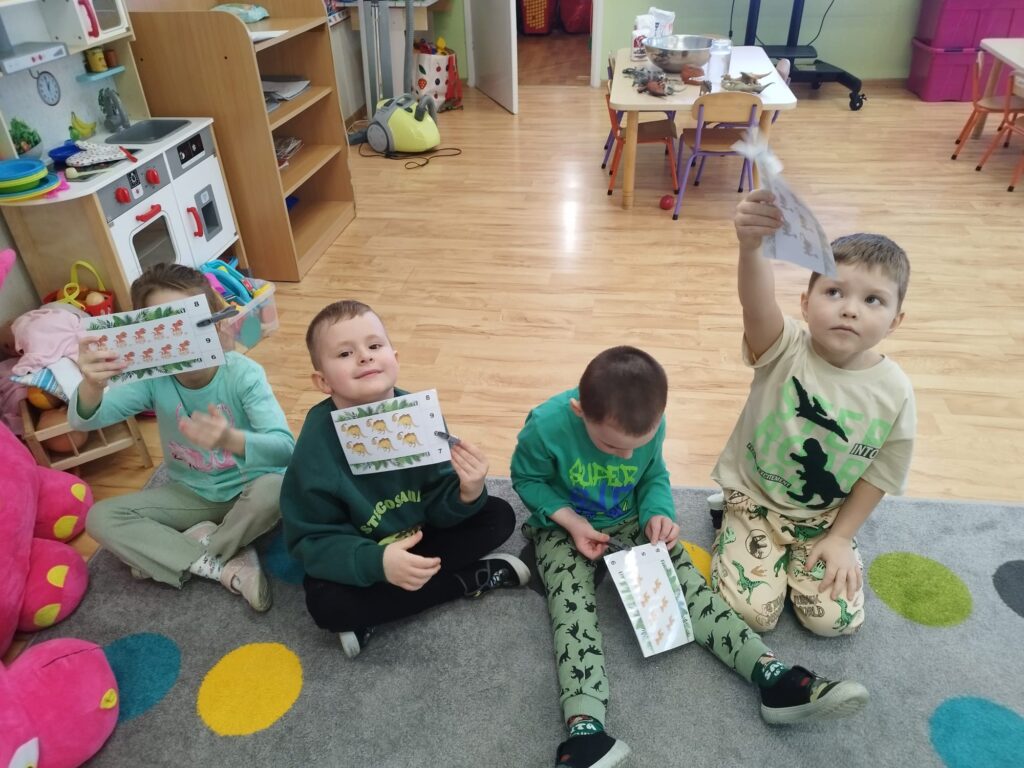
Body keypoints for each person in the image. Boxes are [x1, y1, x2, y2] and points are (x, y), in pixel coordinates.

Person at [511, 345, 869, 768]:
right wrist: (571, 523)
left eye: (636, 445)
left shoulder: (649, 421)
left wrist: (658, 513)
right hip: (563, 525)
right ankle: (584, 731)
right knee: (571, 608)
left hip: (631, 518)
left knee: (692, 589)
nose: (625, 456)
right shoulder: (546, 424)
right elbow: (526, 479)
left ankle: (773, 677)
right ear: (579, 411)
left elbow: (652, 474)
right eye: (609, 444)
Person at [710, 189, 916, 638]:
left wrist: (840, 537)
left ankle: (808, 554)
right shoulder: (782, 347)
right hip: (754, 500)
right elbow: (756, 304)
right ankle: (727, 521)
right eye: (834, 291)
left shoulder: (896, 393)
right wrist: (751, 247)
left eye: (873, 300)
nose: (849, 309)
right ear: (805, 303)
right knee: (751, 615)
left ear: (896, 321)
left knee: (835, 622)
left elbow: (879, 474)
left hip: (824, 517)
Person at [280, 300, 529, 658]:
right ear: (322, 381)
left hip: (422, 534)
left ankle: (382, 607)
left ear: (394, 358)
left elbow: (440, 500)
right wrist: (377, 563)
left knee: (498, 515)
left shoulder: (419, 416)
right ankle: (464, 580)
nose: (364, 357)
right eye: (345, 353)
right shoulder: (315, 448)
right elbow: (310, 540)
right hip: (362, 548)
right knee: (326, 605)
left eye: (374, 345)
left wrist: (467, 491)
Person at [71, 263, 294, 611]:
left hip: (252, 486)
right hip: (193, 494)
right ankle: (225, 558)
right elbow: (86, 420)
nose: (181, 339)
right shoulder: (154, 379)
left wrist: (231, 440)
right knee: (100, 518)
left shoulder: (243, 374)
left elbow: (285, 449)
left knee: (279, 488)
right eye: (166, 328)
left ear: (216, 323)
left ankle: (198, 548)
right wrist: (91, 385)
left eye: (190, 322)